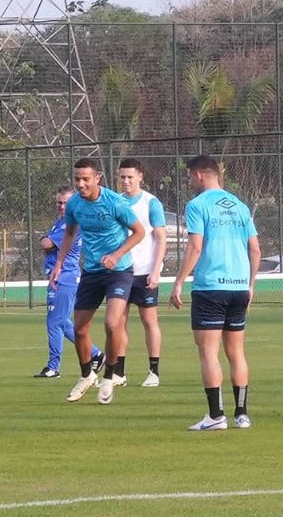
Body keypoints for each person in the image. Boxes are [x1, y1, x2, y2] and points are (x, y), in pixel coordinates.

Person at [169, 155, 260, 431]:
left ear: (199, 175)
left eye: (188, 177)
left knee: (208, 352)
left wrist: (179, 281)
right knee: (237, 352)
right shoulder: (240, 206)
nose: (188, 182)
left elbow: (195, 247)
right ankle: (241, 414)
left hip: (211, 287)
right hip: (238, 287)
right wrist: (250, 284)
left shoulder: (197, 205)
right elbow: (255, 249)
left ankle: (215, 416)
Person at [49, 159, 144, 405]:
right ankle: (87, 375)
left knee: (113, 324)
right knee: (80, 329)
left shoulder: (114, 202)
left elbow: (139, 232)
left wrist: (116, 255)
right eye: (77, 179)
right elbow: (70, 233)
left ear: (97, 178)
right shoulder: (74, 205)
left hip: (119, 271)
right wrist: (59, 265)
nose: (80, 184)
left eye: (85, 179)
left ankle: (110, 376)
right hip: (91, 272)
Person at [34, 186, 104, 379]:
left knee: (54, 322)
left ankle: (54, 367)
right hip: (59, 277)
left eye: (66, 202)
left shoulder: (69, 226)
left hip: (64, 278)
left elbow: (46, 244)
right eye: (59, 202)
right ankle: (96, 353)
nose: (62, 206)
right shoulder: (60, 222)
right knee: (63, 323)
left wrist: (44, 239)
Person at [115, 158, 167, 388]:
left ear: (140, 176)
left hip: (145, 271)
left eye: (130, 177)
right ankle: (119, 373)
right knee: (118, 321)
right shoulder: (116, 202)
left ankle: (153, 372)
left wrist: (156, 270)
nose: (126, 181)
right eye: (122, 177)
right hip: (121, 271)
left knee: (149, 320)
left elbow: (161, 238)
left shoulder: (151, 203)